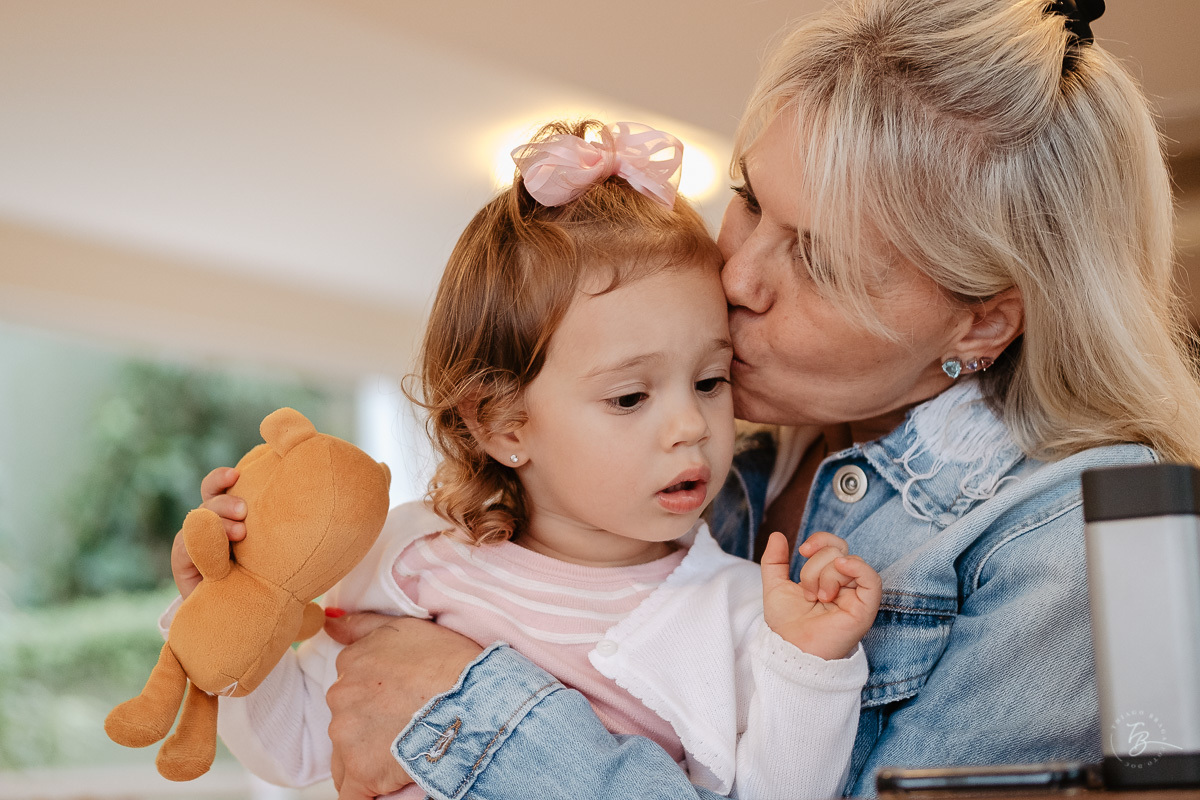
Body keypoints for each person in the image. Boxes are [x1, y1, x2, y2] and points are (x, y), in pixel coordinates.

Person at [238, 0, 1200, 797]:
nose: (737, 274)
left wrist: (470, 706)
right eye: (747, 197)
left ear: (981, 325)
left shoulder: (1074, 536)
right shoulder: (723, 463)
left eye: (817, 258)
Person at [180, 120, 883, 800]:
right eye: (631, 396)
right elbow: (296, 746)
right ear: (502, 423)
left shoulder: (741, 612)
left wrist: (810, 669)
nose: (690, 425)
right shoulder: (412, 559)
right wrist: (237, 596)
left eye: (709, 381)